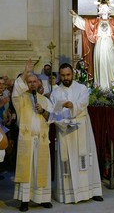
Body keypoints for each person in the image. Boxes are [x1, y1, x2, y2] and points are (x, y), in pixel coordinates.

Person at [49, 63, 103, 204]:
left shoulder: (82, 88)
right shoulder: (55, 92)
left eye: (68, 75)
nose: (66, 78)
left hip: (81, 129)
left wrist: (72, 106)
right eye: (63, 75)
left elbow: (83, 103)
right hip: (65, 130)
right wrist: (63, 122)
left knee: (84, 159)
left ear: (72, 74)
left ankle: (92, 191)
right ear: (59, 75)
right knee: (66, 161)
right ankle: (68, 194)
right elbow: (54, 113)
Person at [12, 59, 53, 212]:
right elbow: (16, 89)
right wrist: (25, 72)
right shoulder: (20, 99)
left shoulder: (45, 100)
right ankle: (24, 200)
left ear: (39, 83)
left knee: (41, 170)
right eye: (29, 82)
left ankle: (42, 199)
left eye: (34, 81)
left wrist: (43, 111)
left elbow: (52, 118)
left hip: (41, 140)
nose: (32, 84)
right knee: (26, 170)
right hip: (27, 140)